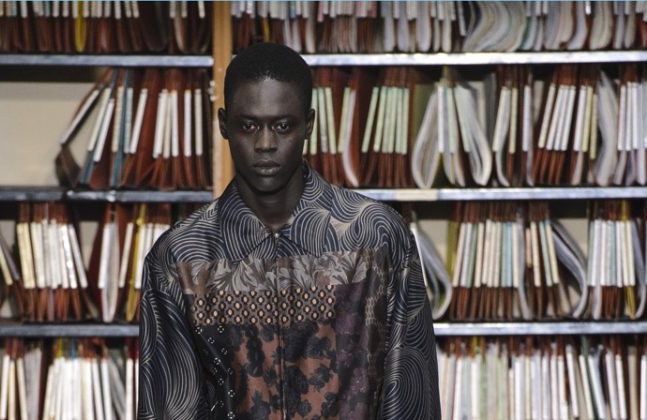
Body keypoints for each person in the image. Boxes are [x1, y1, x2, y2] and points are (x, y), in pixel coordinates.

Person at [139, 43, 440, 420]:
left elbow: (410, 395)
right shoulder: (181, 256)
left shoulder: (375, 236)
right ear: (224, 124)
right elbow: (169, 405)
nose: (265, 144)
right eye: (248, 126)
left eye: (283, 126)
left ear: (308, 124)